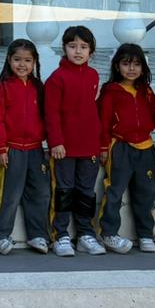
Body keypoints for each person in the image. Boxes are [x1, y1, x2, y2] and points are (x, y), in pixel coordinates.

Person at [97, 43, 155, 254]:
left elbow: (154, 118)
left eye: (136, 64)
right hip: (120, 147)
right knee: (114, 191)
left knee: (146, 193)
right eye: (126, 64)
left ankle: (145, 234)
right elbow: (103, 122)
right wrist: (103, 147)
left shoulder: (147, 92)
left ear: (143, 68)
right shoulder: (110, 92)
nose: (131, 69)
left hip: (146, 147)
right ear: (117, 66)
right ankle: (109, 233)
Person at [44, 24, 106, 256]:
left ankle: (85, 234)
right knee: (64, 191)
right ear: (64, 48)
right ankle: (60, 235)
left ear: (91, 51)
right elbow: (51, 113)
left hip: (89, 146)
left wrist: (100, 144)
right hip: (64, 148)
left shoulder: (93, 75)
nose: (78, 51)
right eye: (72, 46)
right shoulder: (57, 79)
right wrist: (56, 142)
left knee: (86, 192)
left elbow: (93, 111)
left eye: (83, 47)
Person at [0, 39, 51, 255]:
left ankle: (38, 235)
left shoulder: (38, 87)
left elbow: (46, 117)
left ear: (34, 62)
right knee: (9, 195)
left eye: (27, 60)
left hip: (35, 149)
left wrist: (49, 142)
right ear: (9, 60)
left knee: (40, 193)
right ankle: (0, 235)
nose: (22, 65)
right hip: (11, 149)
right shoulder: (2, 88)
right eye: (17, 59)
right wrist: (0, 148)